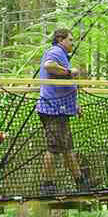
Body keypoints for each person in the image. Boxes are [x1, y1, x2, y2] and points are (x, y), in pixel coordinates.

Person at [36, 27, 92, 194]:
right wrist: (69, 71)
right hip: (53, 110)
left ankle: (80, 182)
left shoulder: (62, 54)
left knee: (67, 149)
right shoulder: (56, 51)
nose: (72, 43)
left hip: (61, 109)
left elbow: (62, 83)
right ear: (61, 40)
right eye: (70, 40)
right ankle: (47, 185)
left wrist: (74, 105)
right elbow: (49, 66)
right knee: (54, 149)